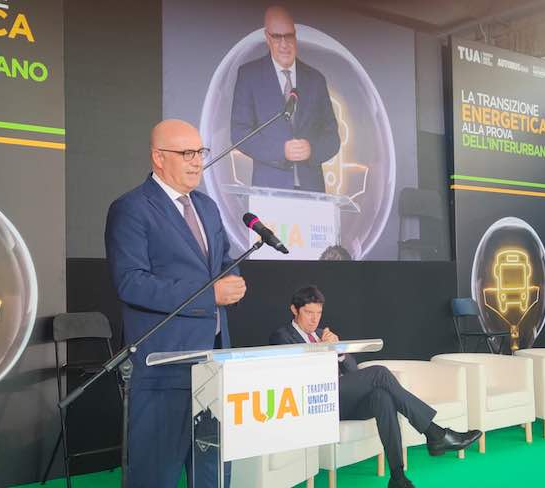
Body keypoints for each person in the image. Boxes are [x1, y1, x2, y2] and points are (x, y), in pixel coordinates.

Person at [105, 119, 246, 488]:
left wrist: (232, 278)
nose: (197, 161)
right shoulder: (132, 208)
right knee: (155, 476)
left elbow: (221, 262)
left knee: (213, 475)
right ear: (158, 157)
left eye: (200, 151)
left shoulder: (208, 207)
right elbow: (131, 283)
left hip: (213, 366)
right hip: (164, 368)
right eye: (186, 153)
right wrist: (209, 294)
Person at [269, 285, 482, 488]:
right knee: (379, 373)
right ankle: (434, 433)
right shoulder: (282, 336)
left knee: (382, 397)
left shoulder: (322, 334)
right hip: (315, 400)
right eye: (308, 313)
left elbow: (352, 371)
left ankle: (398, 477)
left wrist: (339, 351)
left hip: (341, 399)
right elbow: (296, 377)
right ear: (294, 310)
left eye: (319, 313)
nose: (315, 319)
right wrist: (321, 351)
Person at [231, 5, 340, 192]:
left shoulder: (316, 79)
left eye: (288, 36)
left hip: (312, 191)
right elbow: (240, 133)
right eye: (277, 37)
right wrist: (280, 151)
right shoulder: (249, 75)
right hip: (269, 189)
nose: (284, 44)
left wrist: (312, 149)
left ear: (295, 36)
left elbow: (332, 138)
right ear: (267, 37)